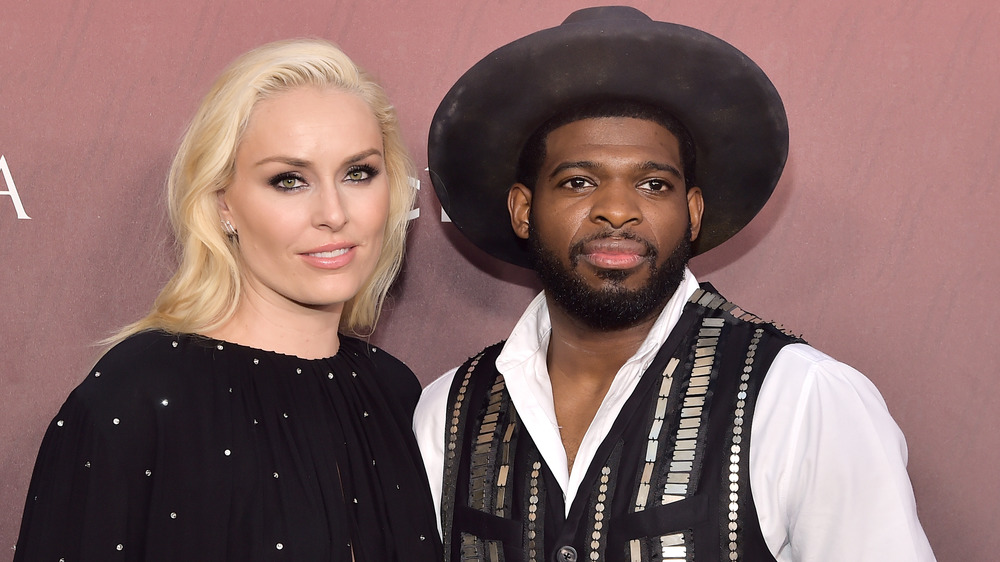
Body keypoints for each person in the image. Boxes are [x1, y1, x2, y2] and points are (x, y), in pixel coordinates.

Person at [415, 7, 934, 561]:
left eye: (653, 183)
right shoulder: (448, 409)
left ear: (692, 211)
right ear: (524, 210)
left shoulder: (802, 399)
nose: (617, 210)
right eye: (579, 181)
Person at [15, 39, 441, 561]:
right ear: (223, 205)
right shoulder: (140, 395)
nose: (334, 212)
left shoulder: (395, 393)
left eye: (358, 173)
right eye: (289, 180)